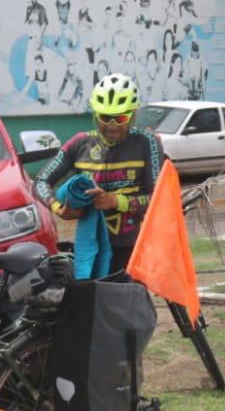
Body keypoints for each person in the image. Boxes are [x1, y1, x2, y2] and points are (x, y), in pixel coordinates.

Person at [32, 74, 164, 279]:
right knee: (93, 307)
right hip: (90, 247)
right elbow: (40, 181)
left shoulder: (147, 143)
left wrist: (115, 201)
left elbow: (158, 199)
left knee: (128, 307)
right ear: (95, 114)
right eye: (104, 117)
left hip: (131, 246)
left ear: (133, 115)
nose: (112, 125)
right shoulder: (79, 143)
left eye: (120, 118)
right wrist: (60, 209)